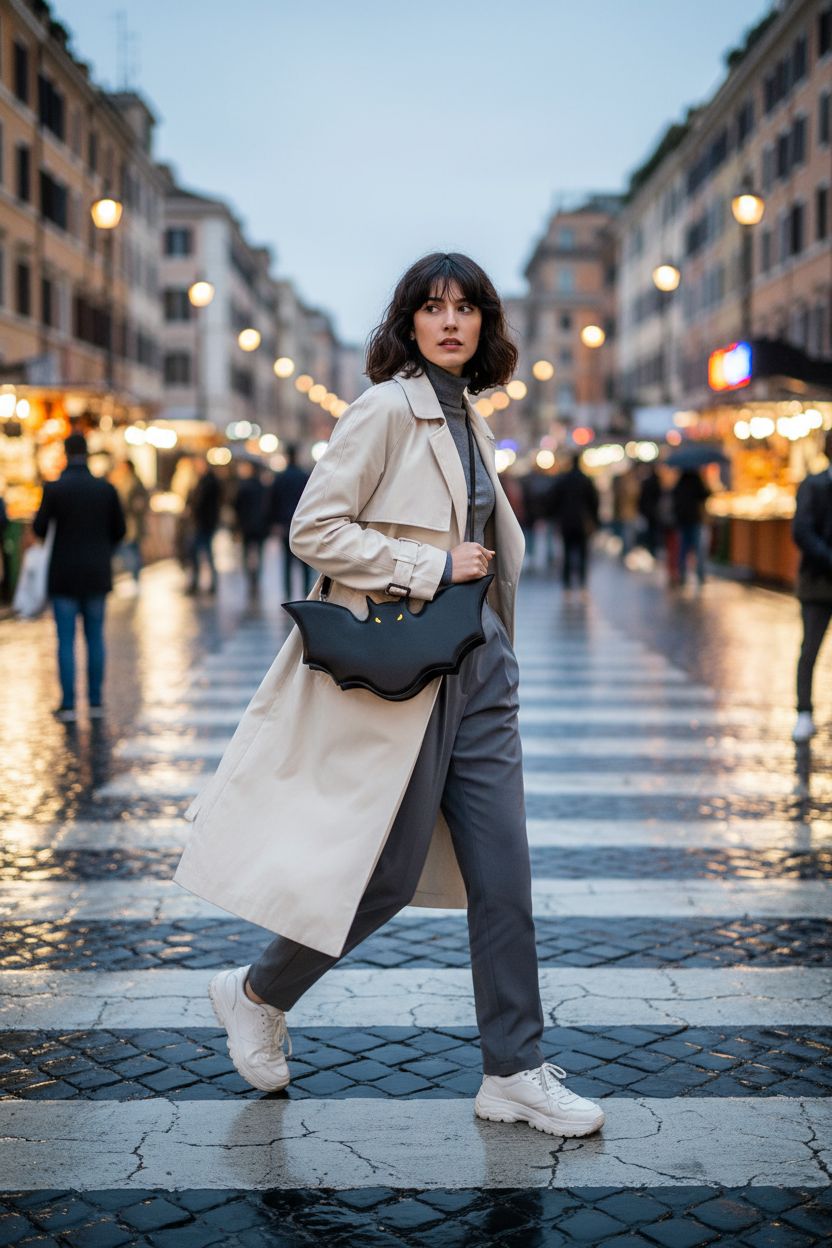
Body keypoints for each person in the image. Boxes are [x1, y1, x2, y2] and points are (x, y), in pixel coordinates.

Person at [175, 252, 604, 1140]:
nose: (451, 322)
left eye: (467, 309)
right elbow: (315, 527)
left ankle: (514, 1070)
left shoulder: (470, 418)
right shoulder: (385, 409)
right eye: (433, 308)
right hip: (411, 669)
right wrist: (429, 564)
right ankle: (258, 991)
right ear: (408, 322)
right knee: (387, 871)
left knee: (505, 877)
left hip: (481, 666)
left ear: (486, 324)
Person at [32, 432, 126, 721]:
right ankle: (96, 700)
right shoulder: (105, 489)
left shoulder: (55, 488)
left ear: (65, 452)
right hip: (97, 572)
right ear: (88, 453)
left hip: (64, 573)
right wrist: (102, 548)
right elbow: (120, 530)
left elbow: (39, 528)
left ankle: (69, 704)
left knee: (65, 640)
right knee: (95, 637)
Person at [792, 432, 832, 742]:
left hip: (818, 577)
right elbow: (802, 531)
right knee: (810, 650)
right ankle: (804, 712)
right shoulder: (814, 485)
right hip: (818, 582)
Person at [546, 454, 599, 591]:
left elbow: (553, 500)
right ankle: (582, 584)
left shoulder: (563, 480)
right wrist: (595, 521)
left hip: (566, 522)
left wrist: (554, 517)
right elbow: (594, 502)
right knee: (582, 553)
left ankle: (567, 584)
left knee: (567, 553)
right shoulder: (586, 480)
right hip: (582, 522)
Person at [270, 445, 312, 600]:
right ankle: (306, 592)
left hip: (284, 524)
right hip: (302, 523)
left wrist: (274, 522)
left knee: (287, 562)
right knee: (304, 561)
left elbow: (273, 500)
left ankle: (287, 594)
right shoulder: (304, 476)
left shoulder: (280, 477)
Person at [185, 457, 221, 595]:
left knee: (200, 552)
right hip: (204, 522)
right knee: (202, 552)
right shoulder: (205, 481)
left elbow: (200, 502)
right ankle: (204, 582)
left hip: (204, 523)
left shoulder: (208, 482)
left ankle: (201, 582)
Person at [233, 460, 269, 598]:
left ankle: (250, 578)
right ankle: (256, 578)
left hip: (246, 526)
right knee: (259, 554)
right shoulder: (263, 487)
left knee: (246, 554)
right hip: (260, 526)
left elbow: (237, 506)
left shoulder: (244, 487)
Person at [672, 468, 710, 586]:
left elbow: (675, 498)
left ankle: (682, 572)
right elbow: (705, 494)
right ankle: (700, 573)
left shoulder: (679, 483)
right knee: (698, 548)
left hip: (682, 520)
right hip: (694, 519)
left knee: (684, 547)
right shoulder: (696, 481)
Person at [113, 459, 149, 584]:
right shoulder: (123, 481)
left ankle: (135, 577)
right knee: (130, 549)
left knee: (131, 549)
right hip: (128, 522)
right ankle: (134, 576)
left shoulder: (133, 482)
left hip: (132, 523)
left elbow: (138, 501)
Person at [638, 465, 662, 558]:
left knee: (650, 531)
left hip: (648, 511)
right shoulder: (658, 482)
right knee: (654, 532)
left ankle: (650, 548)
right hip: (655, 511)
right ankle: (653, 549)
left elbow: (642, 498)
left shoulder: (646, 482)